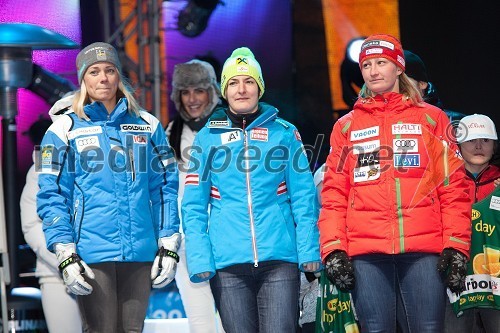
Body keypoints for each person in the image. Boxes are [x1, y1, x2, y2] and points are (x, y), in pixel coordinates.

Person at [318, 34, 472, 332]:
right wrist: (334, 248)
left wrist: (456, 245)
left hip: (424, 249)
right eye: (367, 65)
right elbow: (334, 192)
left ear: (399, 68)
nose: (373, 71)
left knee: (428, 329)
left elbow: (453, 189)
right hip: (366, 251)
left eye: (381, 63)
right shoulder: (346, 126)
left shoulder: (433, 120)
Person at [36, 42, 181, 333]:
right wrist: (65, 252)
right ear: (83, 79)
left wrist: (168, 244)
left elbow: (165, 186)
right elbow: (51, 195)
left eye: (110, 70)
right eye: (94, 71)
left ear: (118, 77)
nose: (103, 78)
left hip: (140, 253)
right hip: (90, 253)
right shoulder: (63, 129)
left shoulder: (147, 125)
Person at [181, 47, 321, 333]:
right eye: (233, 82)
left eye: (248, 81)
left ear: (260, 87)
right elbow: (193, 204)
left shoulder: (284, 132)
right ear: (224, 90)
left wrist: (309, 251)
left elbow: (305, 198)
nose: (241, 89)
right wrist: (199, 258)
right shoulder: (208, 136)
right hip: (227, 262)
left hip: (279, 258)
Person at [166, 59, 225, 333]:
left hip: (228, 240)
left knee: (233, 322)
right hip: (188, 242)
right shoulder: (170, 135)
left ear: (212, 92)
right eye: (185, 92)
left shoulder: (231, 127)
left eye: (198, 90)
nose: (192, 99)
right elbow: (165, 192)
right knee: (201, 324)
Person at [20, 94, 82, 333]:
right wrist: (64, 261)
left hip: (102, 269)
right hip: (55, 274)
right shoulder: (41, 165)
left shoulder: (105, 160)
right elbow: (31, 224)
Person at [444, 114, 500, 333]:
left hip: (496, 283)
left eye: (485, 140)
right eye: (471, 140)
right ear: (458, 145)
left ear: (494, 146)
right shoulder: (444, 183)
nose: (478, 146)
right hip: (454, 281)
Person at [403, 49, 466, 122]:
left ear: (422, 84)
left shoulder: (457, 123)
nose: (395, 87)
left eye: (403, 80)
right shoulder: (386, 119)